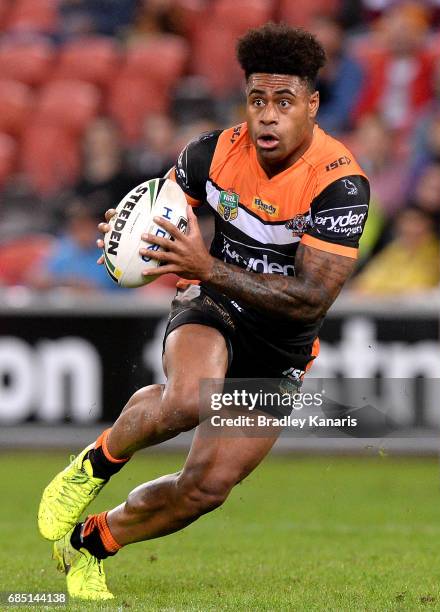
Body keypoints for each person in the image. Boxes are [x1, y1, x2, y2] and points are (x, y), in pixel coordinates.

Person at [38, 23, 370, 601]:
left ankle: (92, 544)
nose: (267, 116)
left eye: (284, 102)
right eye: (257, 99)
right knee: (191, 397)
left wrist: (209, 263)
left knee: (206, 488)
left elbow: (312, 297)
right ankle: (96, 462)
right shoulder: (210, 153)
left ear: (312, 106)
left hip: (283, 342)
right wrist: (126, 235)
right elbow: (158, 214)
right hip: (211, 303)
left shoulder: (339, 185)